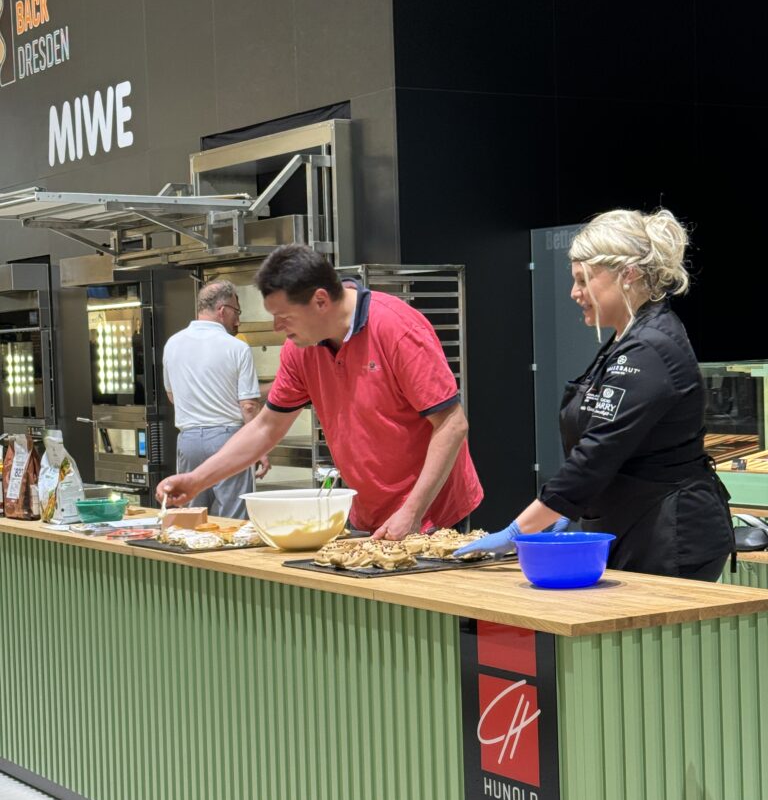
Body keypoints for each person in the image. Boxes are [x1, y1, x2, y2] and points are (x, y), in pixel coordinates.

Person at [456, 208, 733, 581]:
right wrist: (565, 508)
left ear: (628, 275)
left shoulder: (650, 347)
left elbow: (599, 451)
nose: (575, 293)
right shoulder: (627, 339)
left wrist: (522, 528)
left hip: (671, 534)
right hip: (634, 523)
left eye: (583, 280)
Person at [157, 245, 483, 537]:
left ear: (320, 301)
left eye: (284, 317)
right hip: (369, 512)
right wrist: (197, 480)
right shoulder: (300, 349)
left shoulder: (397, 329)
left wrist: (412, 512)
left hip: (432, 513)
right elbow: (267, 427)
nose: (277, 328)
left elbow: (452, 425)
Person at [162, 279, 270, 520]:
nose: (238, 320)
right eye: (236, 312)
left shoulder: (172, 344)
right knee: (234, 519)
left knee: (191, 517)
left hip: (188, 440)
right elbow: (249, 405)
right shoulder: (236, 347)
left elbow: (172, 396)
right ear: (222, 310)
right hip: (229, 439)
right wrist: (258, 449)